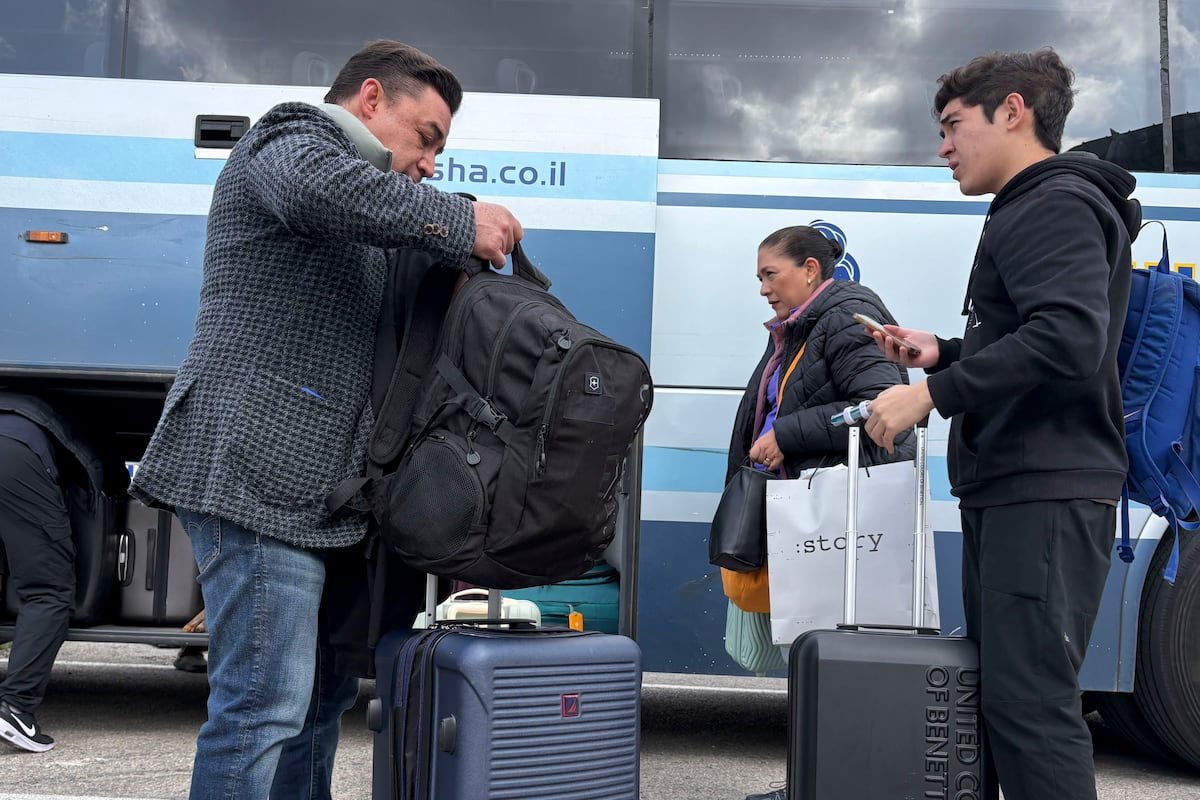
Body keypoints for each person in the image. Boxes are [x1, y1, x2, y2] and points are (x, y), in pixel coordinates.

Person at [128, 40, 523, 799]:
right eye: (426, 138)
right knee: (262, 707)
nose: (429, 164)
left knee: (317, 705)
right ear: (371, 98)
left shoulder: (370, 211)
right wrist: (460, 221)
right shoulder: (288, 139)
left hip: (322, 498)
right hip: (254, 477)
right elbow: (324, 191)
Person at [862, 49, 1141, 800]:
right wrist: (944, 352)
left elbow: (1069, 339)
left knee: (1031, 708)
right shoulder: (1038, 203)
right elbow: (1043, 338)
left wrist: (933, 393)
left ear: (1012, 111)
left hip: (1042, 488)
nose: (943, 147)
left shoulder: (1053, 203)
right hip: (1022, 484)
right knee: (1005, 700)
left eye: (953, 125)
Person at [728, 225, 914, 800]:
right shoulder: (804, 324)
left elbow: (880, 405)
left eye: (770, 274)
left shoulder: (846, 317)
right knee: (814, 658)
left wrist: (787, 434)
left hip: (839, 520)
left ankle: (832, 786)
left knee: (831, 658)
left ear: (810, 270)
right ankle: (813, 784)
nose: (763, 288)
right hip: (812, 513)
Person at [0, 393, 103, 754]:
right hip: (15, 454)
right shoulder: (77, 418)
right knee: (49, 590)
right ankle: (16, 707)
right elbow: (99, 479)